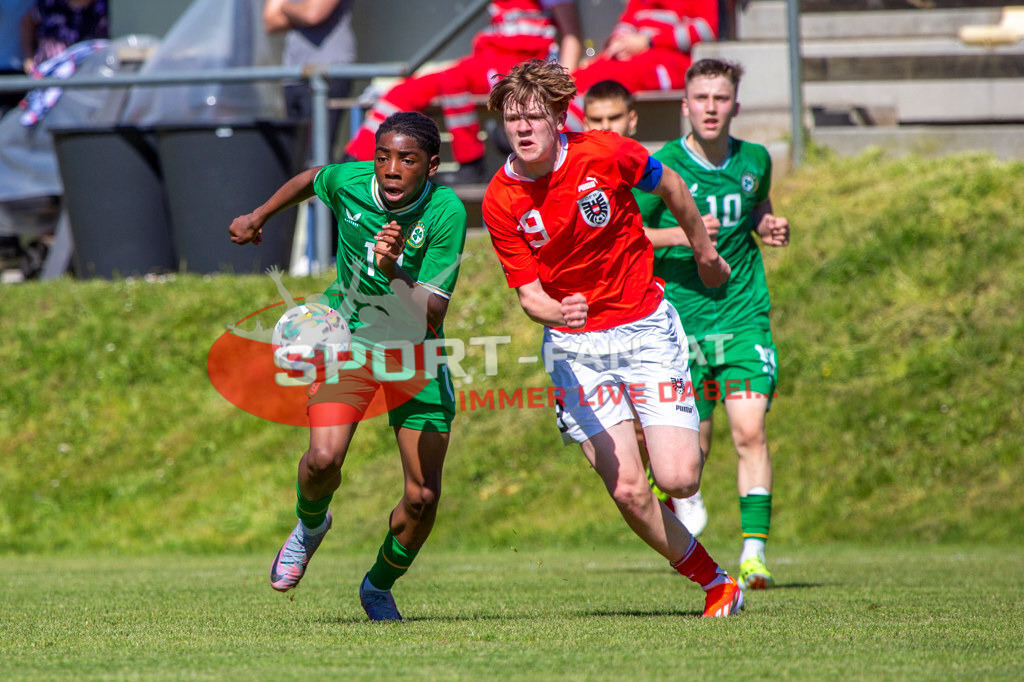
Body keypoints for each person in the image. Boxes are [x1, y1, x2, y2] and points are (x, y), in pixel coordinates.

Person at [481, 58, 742, 618]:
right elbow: (529, 296)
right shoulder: (501, 199)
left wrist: (704, 252)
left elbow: (670, 183)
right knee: (628, 490)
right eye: (512, 118)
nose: (523, 128)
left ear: (557, 116)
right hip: (577, 349)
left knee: (678, 475)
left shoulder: (603, 151)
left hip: (644, 326)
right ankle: (717, 583)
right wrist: (560, 311)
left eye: (533, 116)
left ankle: (653, 434)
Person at [228, 111, 468, 621]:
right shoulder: (351, 182)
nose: (392, 169)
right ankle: (310, 526)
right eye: (384, 157)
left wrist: (394, 268)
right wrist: (259, 216)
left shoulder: (446, 211)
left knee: (423, 495)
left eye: (408, 159)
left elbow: (432, 312)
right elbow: (311, 179)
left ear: (432, 164)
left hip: (415, 351)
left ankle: (378, 585)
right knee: (321, 461)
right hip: (350, 344)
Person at [634, 58, 790, 591]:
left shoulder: (755, 159)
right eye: (701, 98)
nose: (710, 108)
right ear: (685, 106)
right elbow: (628, 235)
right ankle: (687, 526)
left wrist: (767, 224)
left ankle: (753, 555)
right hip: (683, 326)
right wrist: (687, 235)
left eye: (720, 99)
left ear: (735, 106)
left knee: (750, 430)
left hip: (743, 316)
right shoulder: (662, 166)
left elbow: (758, 209)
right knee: (691, 457)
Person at [581, 77, 709, 537]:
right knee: (629, 438)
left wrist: (695, 241)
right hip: (596, 325)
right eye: (596, 119)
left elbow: (656, 214)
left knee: (687, 460)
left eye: (614, 118)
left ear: (632, 119)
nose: (607, 126)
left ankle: (678, 484)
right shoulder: (584, 169)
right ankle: (664, 497)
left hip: (656, 309)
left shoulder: (642, 166)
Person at [341, 0, 583, 185]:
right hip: (486, 58)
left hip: (522, 64)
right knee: (405, 91)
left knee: (453, 79)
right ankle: (355, 160)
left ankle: (471, 163)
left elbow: (572, 35)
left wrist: (558, 85)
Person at [565, 0, 717, 131]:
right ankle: (558, 127)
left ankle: (566, 136)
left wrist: (649, 41)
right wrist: (620, 42)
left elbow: (707, 30)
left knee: (610, 79)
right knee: (581, 76)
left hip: (670, 62)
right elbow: (628, 21)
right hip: (634, 56)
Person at [263, 0, 356, 159]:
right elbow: (270, 22)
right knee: (295, 156)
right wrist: (299, 11)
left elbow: (312, 15)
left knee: (317, 155)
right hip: (293, 76)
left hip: (328, 74)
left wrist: (285, 7)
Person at [19, 0, 108, 74]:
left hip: (89, 76)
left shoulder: (105, 7)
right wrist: (28, 58)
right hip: (48, 76)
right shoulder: (49, 4)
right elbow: (27, 22)